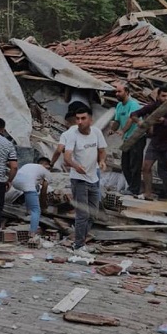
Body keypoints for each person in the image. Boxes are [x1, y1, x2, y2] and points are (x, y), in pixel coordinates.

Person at [63, 106, 107, 255]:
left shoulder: (97, 132)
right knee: (82, 214)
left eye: (83, 118)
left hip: (93, 178)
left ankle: (79, 239)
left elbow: (102, 150)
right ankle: (78, 246)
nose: (80, 122)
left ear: (90, 120)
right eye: (78, 119)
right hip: (78, 179)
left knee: (93, 213)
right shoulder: (72, 135)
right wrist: (76, 166)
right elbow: (67, 156)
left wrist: (102, 161)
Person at [125, 87, 167, 200]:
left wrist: (162, 120)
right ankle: (148, 193)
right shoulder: (153, 106)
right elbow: (134, 114)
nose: (166, 98)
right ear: (158, 97)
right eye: (163, 96)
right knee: (146, 168)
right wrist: (139, 121)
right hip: (156, 142)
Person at [108, 83, 143, 194]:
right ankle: (132, 188)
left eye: (119, 91)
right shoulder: (119, 106)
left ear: (127, 92)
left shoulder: (133, 105)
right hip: (127, 139)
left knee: (135, 165)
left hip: (137, 137)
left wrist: (123, 131)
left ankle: (134, 189)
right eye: (116, 92)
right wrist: (112, 130)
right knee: (125, 165)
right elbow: (117, 121)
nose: (117, 94)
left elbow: (131, 119)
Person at [12, 157, 51, 237]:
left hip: (15, 182)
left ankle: (27, 210)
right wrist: (43, 205)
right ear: (47, 165)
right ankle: (32, 233)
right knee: (36, 210)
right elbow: (44, 189)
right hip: (27, 184)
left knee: (31, 191)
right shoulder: (46, 171)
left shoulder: (29, 165)